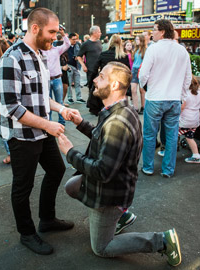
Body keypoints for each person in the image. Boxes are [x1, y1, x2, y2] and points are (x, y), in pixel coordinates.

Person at [58, 62, 182, 267]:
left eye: (101, 77)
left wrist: (70, 153)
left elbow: (102, 171)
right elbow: (103, 138)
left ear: (114, 85)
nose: (95, 80)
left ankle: (162, 241)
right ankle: (120, 217)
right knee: (72, 187)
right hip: (111, 185)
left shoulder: (118, 122)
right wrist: (81, 124)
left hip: (110, 193)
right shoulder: (117, 110)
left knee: (102, 248)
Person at [0, 7, 77, 255]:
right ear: (35, 28)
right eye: (51, 31)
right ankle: (27, 233)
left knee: (57, 169)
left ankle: (47, 219)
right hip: (22, 135)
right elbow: (12, 106)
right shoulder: (11, 58)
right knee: (23, 186)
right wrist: (48, 124)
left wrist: (61, 109)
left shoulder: (41, 54)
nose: (55, 37)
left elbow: (41, 97)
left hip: (42, 131)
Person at [139, 19, 192, 177]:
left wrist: (146, 86)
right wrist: (182, 96)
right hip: (174, 99)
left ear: (162, 31)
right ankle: (168, 169)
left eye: (154, 29)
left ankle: (148, 167)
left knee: (149, 135)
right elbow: (187, 78)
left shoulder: (153, 49)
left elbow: (143, 75)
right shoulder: (182, 50)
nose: (152, 32)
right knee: (171, 136)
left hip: (155, 98)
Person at [90, 34, 131, 113]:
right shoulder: (124, 56)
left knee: (105, 107)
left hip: (106, 83)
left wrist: (92, 81)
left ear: (110, 42)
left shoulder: (104, 54)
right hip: (119, 83)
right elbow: (127, 71)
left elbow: (94, 69)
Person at [42, 26, 70, 126]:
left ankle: (61, 122)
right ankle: (49, 122)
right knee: (47, 103)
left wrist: (63, 35)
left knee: (59, 102)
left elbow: (67, 44)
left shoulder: (56, 50)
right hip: (46, 80)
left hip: (57, 78)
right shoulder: (41, 51)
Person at [77, 26, 102, 114]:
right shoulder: (86, 44)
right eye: (99, 32)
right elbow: (79, 56)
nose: (100, 33)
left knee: (100, 88)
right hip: (91, 70)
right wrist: (83, 65)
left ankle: (99, 106)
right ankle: (92, 107)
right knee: (92, 88)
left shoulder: (99, 42)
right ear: (94, 33)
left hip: (100, 69)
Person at [178, 76, 200, 163]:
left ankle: (168, 152)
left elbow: (182, 107)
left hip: (185, 120)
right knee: (189, 137)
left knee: (173, 135)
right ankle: (196, 155)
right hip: (195, 120)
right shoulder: (198, 93)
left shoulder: (185, 94)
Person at [66, 33, 86, 105]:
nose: (75, 41)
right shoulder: (66, 46)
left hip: (77, 66)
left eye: (76, 39)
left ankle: (79, 97)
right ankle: (69, 97)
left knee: (77, 82)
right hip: (69, 65)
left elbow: (81, 54)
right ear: (69, 39)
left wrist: (79, 57)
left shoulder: (77, 45)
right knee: (69, 83)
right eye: (73, 39)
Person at [131, 35, 146, 114]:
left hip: (141, 70)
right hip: (134, 70)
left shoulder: (145, 50)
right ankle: (135, 107)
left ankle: (143, 107)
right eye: (136, 39)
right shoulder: (135, 49)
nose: (136, 41)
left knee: (141, 90)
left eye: (138, 39)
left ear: (142, 40)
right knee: (133, 89)